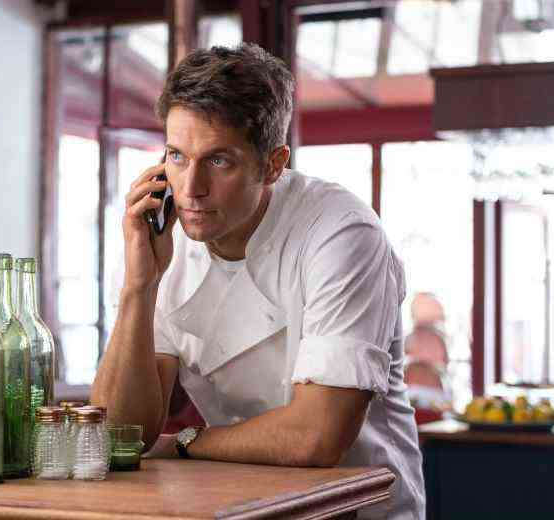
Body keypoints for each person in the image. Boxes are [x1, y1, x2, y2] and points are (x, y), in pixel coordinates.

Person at [91, 43, 425, 520]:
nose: (191, 190)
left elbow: (316, 437)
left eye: (219, 161)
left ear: (272, 164)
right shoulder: (168, 241)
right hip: (246, 505)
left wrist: (183, 443)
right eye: (177, 157)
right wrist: (139, 286)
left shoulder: (341, 233)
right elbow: (117, 438)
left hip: (361, 511)